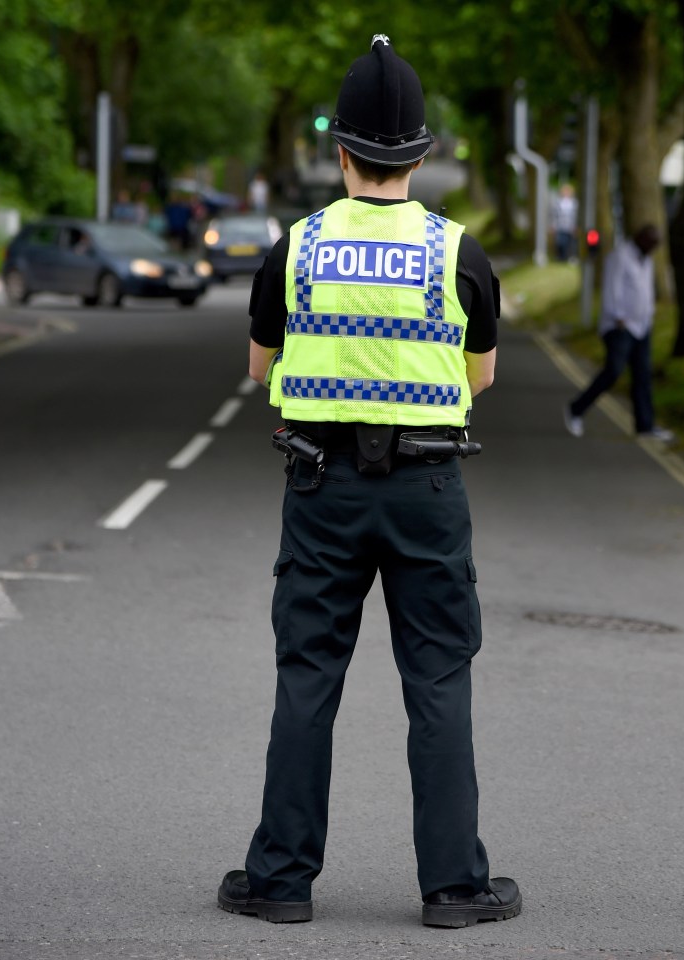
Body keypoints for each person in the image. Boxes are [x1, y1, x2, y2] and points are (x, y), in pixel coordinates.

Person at [218, 34, 522, 929]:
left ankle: (279, 881)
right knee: (438, 678)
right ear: (421, 155)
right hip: (429, 490)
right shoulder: (457, 253)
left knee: (308, 675)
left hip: (321, 488)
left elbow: (258, 366)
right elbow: (482, 377)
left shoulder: (295, 248)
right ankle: (455, 889)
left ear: (340, 152)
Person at [563, 224, 674, 442]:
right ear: (641, 239)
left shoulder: (647, 259)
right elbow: (611, 289)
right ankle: (576, 409)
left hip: (642, 326)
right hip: (620, 327)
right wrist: (618, 316)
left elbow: (645, 290)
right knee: (613, 371)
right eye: (651, 243)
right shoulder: (620, 256)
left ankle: (645, 425)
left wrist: (648, 314)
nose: (654, 248)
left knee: (643, 375)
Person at [550, 184, 578, 263]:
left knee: (571, 243)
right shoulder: (557, 203)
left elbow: (575, 216)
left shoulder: (574, 203)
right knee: (561, 242)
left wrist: (575, 226)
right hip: (560, 226)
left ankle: (571, 257)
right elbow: (554, 215)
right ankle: (562, 258)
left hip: (570, 227)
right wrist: (553, 226)